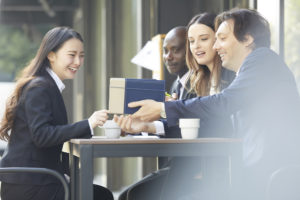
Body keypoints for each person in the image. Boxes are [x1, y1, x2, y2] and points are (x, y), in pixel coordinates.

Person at [128, 8, 300, 200]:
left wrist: (162, 108)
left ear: (248, 39)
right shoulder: (247, 72)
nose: (216, 46)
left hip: (273, 176)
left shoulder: (261, 59)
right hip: (255, 177)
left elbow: (223, 103)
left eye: (222, 38)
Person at [115, 13, 235, 200]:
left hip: (215, 172)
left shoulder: (231, 81)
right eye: (192, 41)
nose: (196, 46)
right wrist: (145, 126)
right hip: (191, 168)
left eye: (204, 39)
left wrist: (159, 114)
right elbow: (194, 128)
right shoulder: (200, 81)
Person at [0, 27, 113, 200]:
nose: (77, 61)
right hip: (30, 186)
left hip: (37, 179)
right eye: (71, 54)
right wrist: (89, 123)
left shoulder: (46, 85)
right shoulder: (40, 88)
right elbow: (42, 135)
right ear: (51, 55)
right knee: (101, 196)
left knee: (98, 193)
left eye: (81, 55)